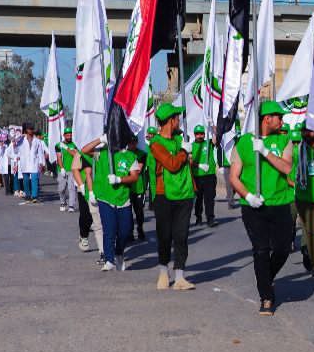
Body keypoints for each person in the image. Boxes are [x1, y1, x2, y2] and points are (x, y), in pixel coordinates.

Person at [230, 100, 296, 316]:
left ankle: (266, 277)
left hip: (280, 203)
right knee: (261, 250)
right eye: (279, 116)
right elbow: (234, 177)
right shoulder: (243, 143)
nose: (282, 120)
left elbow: (287, 167)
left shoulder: (285, 140)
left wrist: (266, 152)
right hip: (254, 207)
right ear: (267, 119)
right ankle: (266, 296)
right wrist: (248, 196)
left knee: (283, 248)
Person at [147, 104, 196, 290]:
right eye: (177, 117)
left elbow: (186, 163)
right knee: (165, 236)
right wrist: (184, 152)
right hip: (164, 195)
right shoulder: (156, 144)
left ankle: (180, 277)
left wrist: (187, 153)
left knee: (181, 236)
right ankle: (163, 272)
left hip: (185, 193)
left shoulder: (179, 139)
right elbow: (172, 164)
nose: (179, 120)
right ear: (170, 120)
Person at [80, 134, 142, 272]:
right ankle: (109, 260)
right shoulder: (101, 154)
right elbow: (84, 150)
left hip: (122, 199)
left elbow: (134, 176)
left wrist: (119, 180)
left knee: (125, 231)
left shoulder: (130, 156)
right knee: (109, 231)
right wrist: (100, 140)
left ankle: (119, 252)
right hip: (105, 198)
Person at [293, 126, 314, 277]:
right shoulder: (297, 151)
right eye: (304, 131)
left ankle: (308, 251)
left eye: (309, 131)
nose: (306, 134)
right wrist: (298, 182)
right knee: (312, 232)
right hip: (305, 199)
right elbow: (289, 172)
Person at [190, 125, 218, 227]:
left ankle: (210, 218)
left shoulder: (209, 143)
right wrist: (200, 165)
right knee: (198, 199)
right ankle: (198, 217)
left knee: (209, 199)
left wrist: (213, 129)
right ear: (194, 135)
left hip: (209, 175)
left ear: (204, 134)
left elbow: (216, 139)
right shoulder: (191, 146)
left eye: (201, 133)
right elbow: (190, 160)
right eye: (197, 134)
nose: (200, 135)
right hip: (197, 176)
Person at [17, 126, 46, 204]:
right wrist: (19, 136)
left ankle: (34, 196)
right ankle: (28, 195)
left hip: (34, 163)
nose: (30, 130)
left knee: (34, 179)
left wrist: (42, 163)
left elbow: (40, 152)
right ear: (26, 130)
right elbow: (16, 148)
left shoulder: (37, 141)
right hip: (25, 163)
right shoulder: (21, 140)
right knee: (26, 180)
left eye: (32, 129)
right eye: (29, 129)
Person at [56, 127, 79, 211]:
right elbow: (59, 157)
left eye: (70, 135)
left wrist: (66, 148)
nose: (69, 136)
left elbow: (75, 155)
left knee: (71, 188)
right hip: (62, 170)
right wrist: (62, 168)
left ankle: (71, 205)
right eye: (67, 135)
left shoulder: (74, 145)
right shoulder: (58, 145)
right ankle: (63, 201)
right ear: (64, 135)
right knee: (61, 188)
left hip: (72, 169)